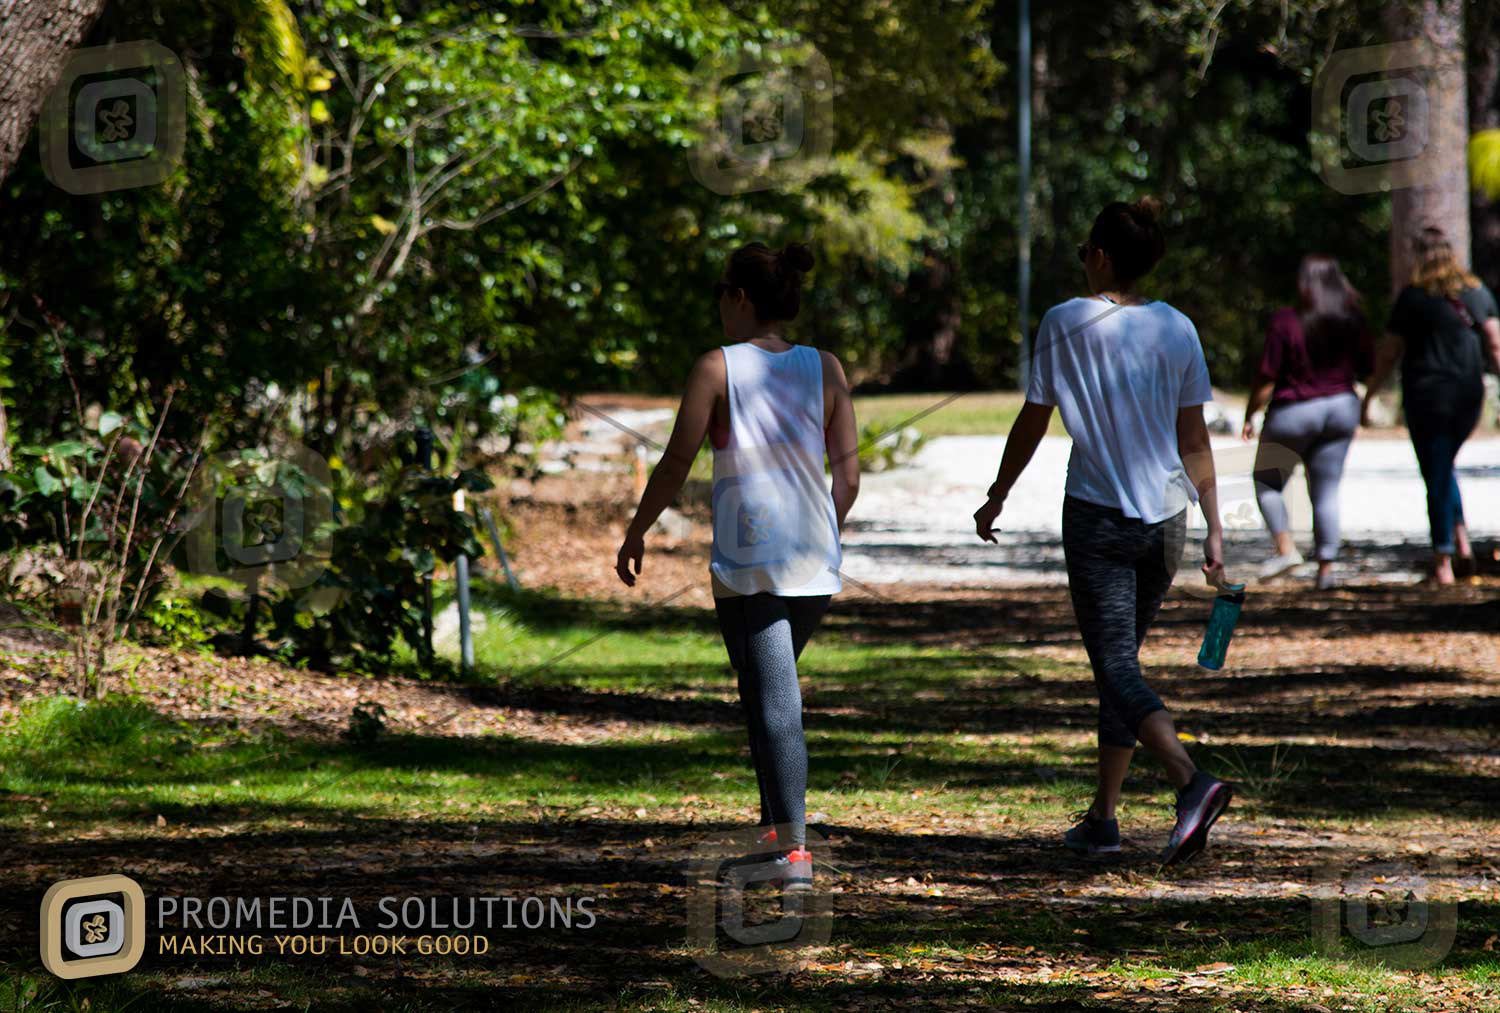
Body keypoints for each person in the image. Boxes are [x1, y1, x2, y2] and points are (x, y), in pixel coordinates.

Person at [972, 197, 1233, 866]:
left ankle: (1189, 781)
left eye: (1086, 250)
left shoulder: (1064, 320)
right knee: (1121, 665)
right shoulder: (1178, 326)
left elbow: (1034, 419)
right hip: (1167, 522)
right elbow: (1194, 438)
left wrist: (997, 494)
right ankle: (1104, 817)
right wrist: (1214, 523)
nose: (1082, 260)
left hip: (1098, 515)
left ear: (1102, 257)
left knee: (1114, 665)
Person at [615, 241, 859, 890]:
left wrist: (638, 528)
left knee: (774, 699)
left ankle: (794, 853)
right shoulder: (826, 367)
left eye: (721, 294)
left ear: (740, 297)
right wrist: (823, 531)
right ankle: (776, 833)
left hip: (752, 562)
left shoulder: (716, 368)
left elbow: (677, 461)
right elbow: (848, 475)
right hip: (814, 559)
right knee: (761, 690)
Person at [1364, 227, 1500, 585]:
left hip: (1427, 396)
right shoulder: (1476, 292)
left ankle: (1443, 560)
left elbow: (1389, 352)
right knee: (1442, 465)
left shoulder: (1413, 297)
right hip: (1468, 395)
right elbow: (1495, 343)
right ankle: (1461, 541)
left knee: (1436, 471)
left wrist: (1370, 393)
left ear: (1418, 256)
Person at [1241, 256, 1372, 590]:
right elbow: (1367, 367)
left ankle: (1286, 550)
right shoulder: (1353, 319)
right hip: (1341, 409)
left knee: (1268, 483)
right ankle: (1326, 569)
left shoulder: (1287, 320)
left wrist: (1250, 413)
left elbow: (1267, 376)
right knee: (1326, 490)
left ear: (1304, 284)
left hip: (1294, 412)